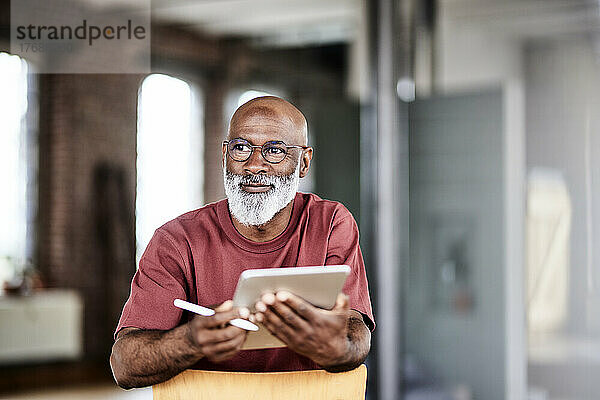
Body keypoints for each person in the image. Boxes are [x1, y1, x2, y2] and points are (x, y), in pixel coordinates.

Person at [110, 96, 374, 389]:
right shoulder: (175, 240)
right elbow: (124, 366)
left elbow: (356, 338)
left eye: (275, 150)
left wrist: (334, 345)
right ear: (225, 155)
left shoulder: (330, 224)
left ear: (304, 162)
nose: (253, 165)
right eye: (240, 148)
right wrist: (191, 340)